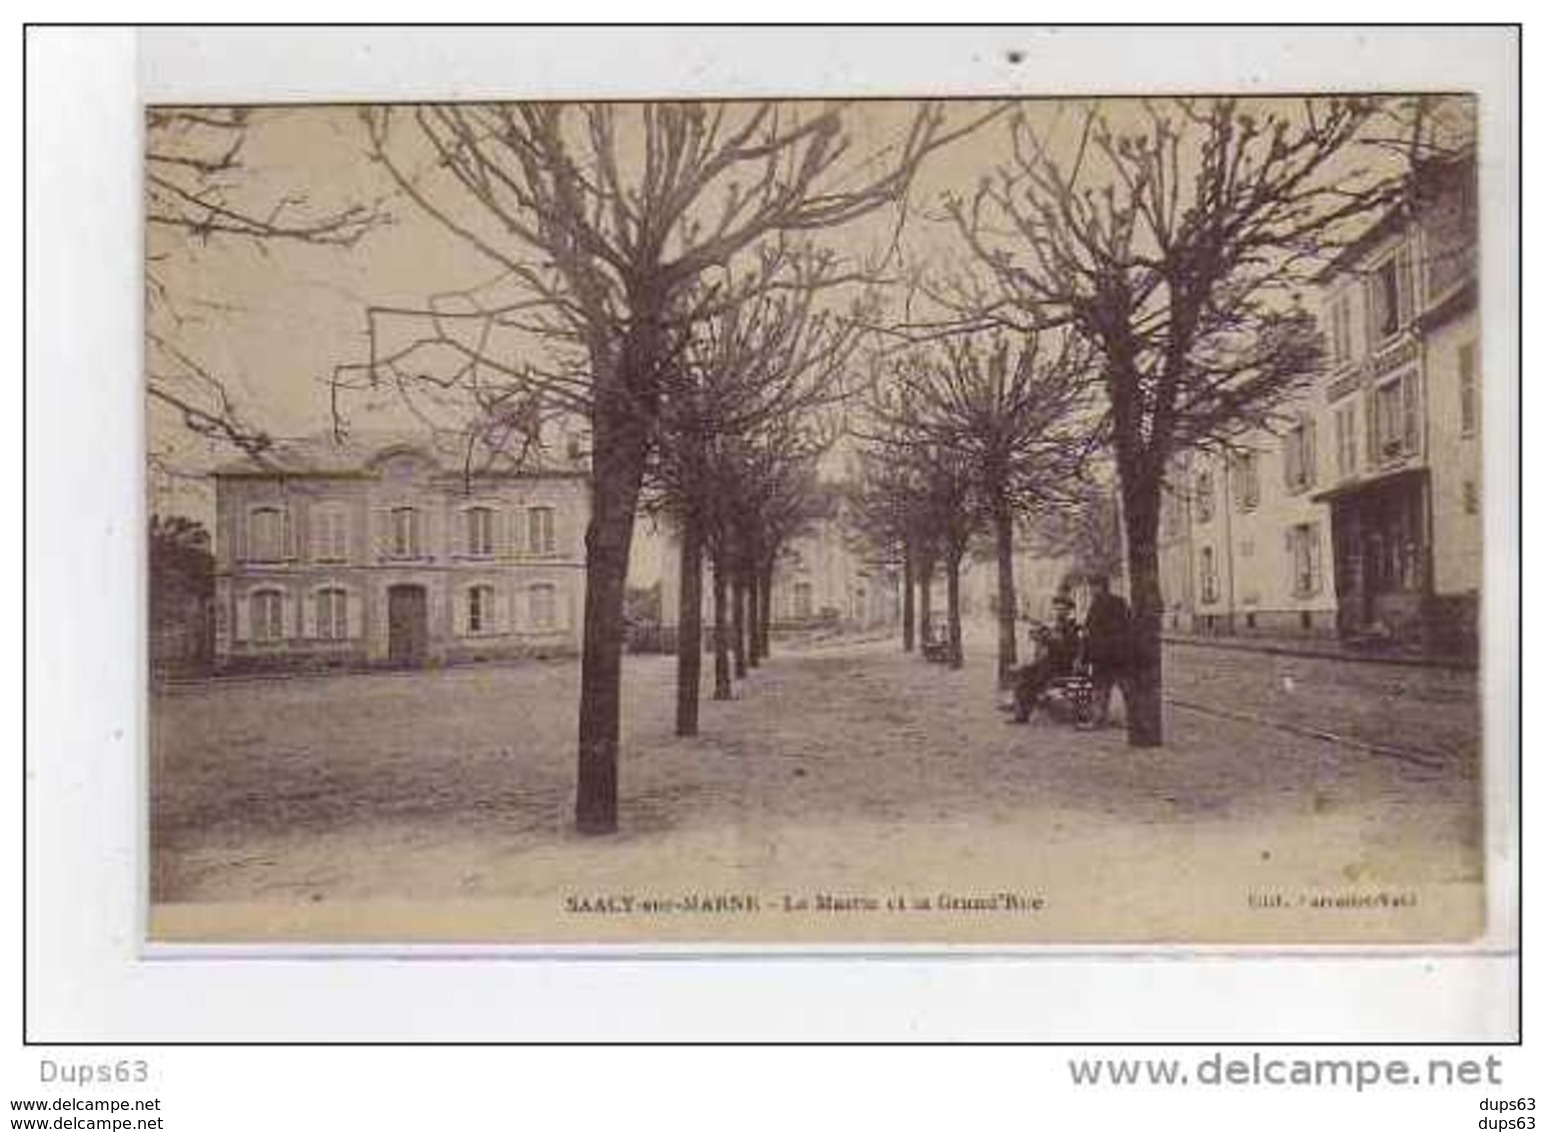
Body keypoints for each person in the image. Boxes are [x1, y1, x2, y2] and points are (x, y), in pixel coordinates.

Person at [1009, 594, 1080, 723]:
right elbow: (1052, 638)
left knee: (1032, 681)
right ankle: (1020, 709)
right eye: (1057, 608)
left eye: (1062, 608)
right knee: (1024, 673)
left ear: (1069, 610)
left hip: (1061, 665)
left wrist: (1046, 638)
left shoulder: (1072, 626)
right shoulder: (1058, 625)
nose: (1058, 611)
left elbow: (1066, 647)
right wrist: (1041, 636)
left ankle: (1023, 711)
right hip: (1049, 663)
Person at [1082, 573, 1132, 728]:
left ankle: (1098, 719)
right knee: (1126, 687)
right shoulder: (1120, 602)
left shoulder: (1096, 604)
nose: (1090, 590)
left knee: (1100, 687)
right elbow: (1128, 624)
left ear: (1098, 587)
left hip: (1103, 654)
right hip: (1120, 653)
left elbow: (1089, 630)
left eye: (1092, 587)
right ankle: (1133, 718)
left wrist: (1086, 654)